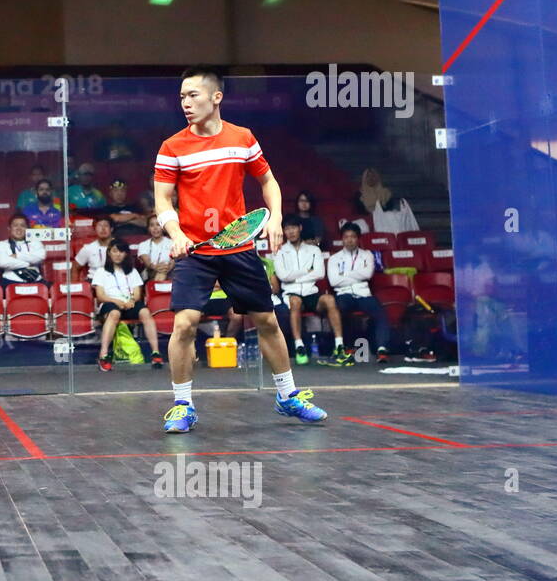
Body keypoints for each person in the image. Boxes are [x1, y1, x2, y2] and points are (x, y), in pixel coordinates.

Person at [153, 66, 327, 432]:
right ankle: (183, 405)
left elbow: (268, 181)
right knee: (184, 324)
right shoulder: (172, 147)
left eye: (193, 95)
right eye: (182, 96)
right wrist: (176, 232)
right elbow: (163, 201)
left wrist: (276, 217)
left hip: (238, 247)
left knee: (266, 320)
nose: (185, 103)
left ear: (216, 97)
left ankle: (288, 396)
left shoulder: (243, 137)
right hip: (196, 251)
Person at [273, 216, 349, 365]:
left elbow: (319, 273)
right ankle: (299, 346)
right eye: (287, 229)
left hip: (311, 292)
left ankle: (339, 345)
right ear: (284, 231)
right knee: (295, 302)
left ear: (300, 228)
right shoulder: (280, 252)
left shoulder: (314, 250)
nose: (291, 231)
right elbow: (283, 276)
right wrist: (307, 271)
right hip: (291, 293)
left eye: (293, 227)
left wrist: (294, 276)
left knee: (329, 300)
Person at [91, 241, 162, 371]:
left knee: (145, 312)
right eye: (115, 251)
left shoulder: (132, 272)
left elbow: (137, 294)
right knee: (114, 314)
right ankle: (104, 355)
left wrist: (132, 300)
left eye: (121, 251)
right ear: (109, 253)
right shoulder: (101, 272)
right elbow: (100, 296)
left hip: (129, 303)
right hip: (110, 303)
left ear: (126, 254)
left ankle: (156, 353)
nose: (118, 255)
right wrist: (117, 302)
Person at [327, 224, 392, 362]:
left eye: (353, 237)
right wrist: (357, 275)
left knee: (380, 313)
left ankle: (381, 349)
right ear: (342, 239)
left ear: (358, 239)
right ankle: (348, 347)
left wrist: (344, 276)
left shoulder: (367, 255)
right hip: (343, 294)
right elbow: (333, 282)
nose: (349, 240)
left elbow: (367, 274)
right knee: (340, 309)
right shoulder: (334, 258)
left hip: (364, 294)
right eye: (346, 237)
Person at [352, 168, 419, 235]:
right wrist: (375, 213)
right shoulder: (360, 194)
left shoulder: (386, 193)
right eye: (368, 176)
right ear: (364, 179)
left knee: (391, 216)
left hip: (385, 217)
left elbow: (389, 207)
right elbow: (360, 210)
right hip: (370, 217)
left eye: (373, 176)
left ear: (377, 178)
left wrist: (379, 212)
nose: (371, 178)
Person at [0, 214, 46, 286]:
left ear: (27, 228)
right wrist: (29, 263)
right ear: (9, 228)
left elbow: (40, 257)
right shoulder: (1, 245)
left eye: (22, 225)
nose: (19, 228)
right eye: (15, 225)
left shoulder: (36, 242)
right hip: (10, 282)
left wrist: (17, 256)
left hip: (36, 281)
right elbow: (2, 262)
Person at [136, 214, 174, 281]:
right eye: (152, 225)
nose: (155, 228)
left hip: (169, 274)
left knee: (162, 274)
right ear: (148, 228)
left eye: (158, 225)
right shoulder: (143, 245)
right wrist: (157, 267)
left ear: (163, 227)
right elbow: (148, 263)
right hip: (149, 275)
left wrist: (166, 269)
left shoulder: (172, 243)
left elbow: (173, 261)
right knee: (160, 274)